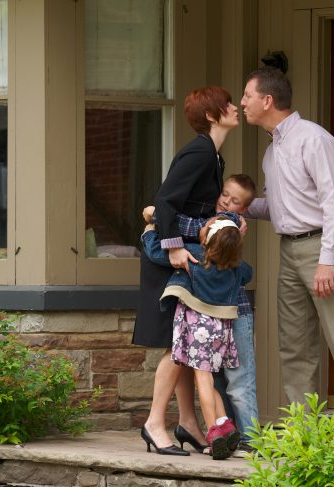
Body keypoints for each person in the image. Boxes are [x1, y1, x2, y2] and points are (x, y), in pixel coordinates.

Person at [240, 67, 334, 421]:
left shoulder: (313, 139)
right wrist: (236, 208)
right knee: (295, 346)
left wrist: (327, 260)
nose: (242, 103)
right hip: (289, 251)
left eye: (247, 96)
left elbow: (332, 202)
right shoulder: (272, 152)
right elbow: (280, 207)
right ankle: (306, 434)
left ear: (267, 100)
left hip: (323, 247)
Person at [132, 86, 239, 456]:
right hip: (170, 261)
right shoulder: (200, 151)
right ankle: (154, 424)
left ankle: (188, 423)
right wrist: (174, 247)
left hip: (182, 257)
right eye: (227, 104)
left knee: (180, 347)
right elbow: (165, 200)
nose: (235, 107)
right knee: (177, 349)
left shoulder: (213, 154)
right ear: (212, 115)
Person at [143, 174, 259, 455]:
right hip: (223, 327)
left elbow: (157, 252)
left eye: (236, 202)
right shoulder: (234, 262)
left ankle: (220, 432)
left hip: (199, 329)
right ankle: (229, 430)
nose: (227, 202)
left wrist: (150, 226)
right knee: (219, 382)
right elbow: (247, 273)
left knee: (211, 380)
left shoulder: (197, 255)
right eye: (226, 194)